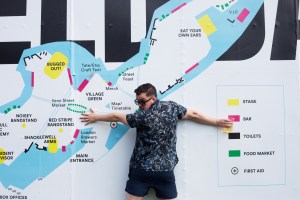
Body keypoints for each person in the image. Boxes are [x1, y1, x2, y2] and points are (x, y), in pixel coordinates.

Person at [80, 83, 232, 200]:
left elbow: (116, 116)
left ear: (153, 98)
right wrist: (216, 121)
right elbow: (194, 114)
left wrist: (96, 117)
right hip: (164, 172)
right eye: (137, 102)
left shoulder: (141, 117)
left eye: (142, 102)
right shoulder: (171, 108)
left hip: (142, 171)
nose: (139, 106)